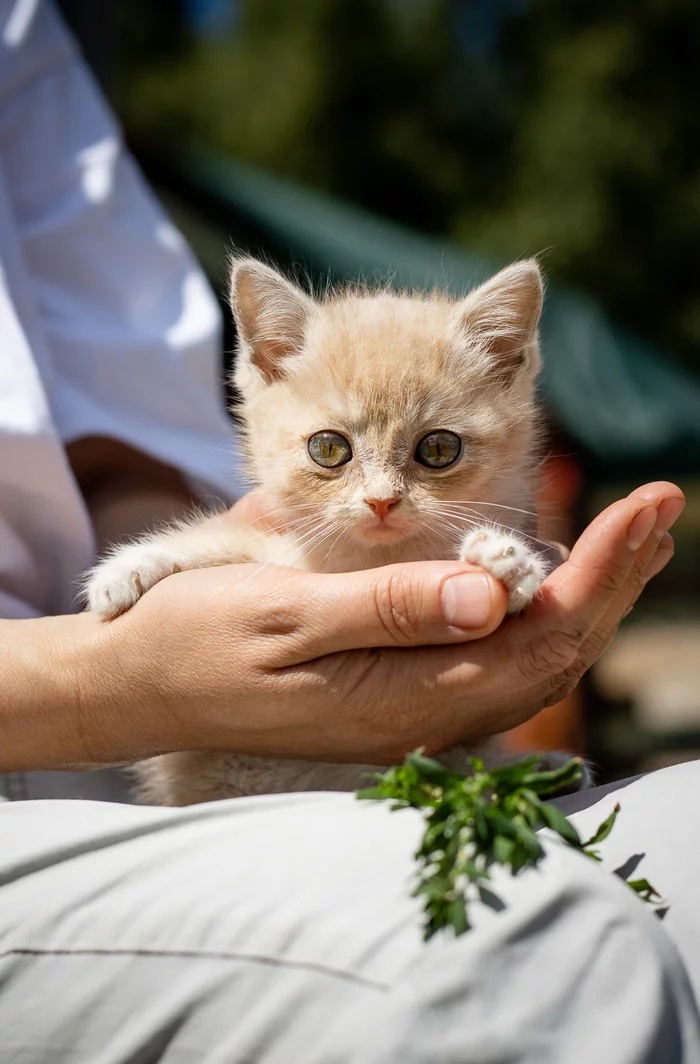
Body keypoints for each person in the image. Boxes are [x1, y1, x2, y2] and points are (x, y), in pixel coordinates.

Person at [0, 2, 697, 1061]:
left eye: (433, 452)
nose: (378, 495)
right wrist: (112, 677)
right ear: (264, 370)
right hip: (95, 776)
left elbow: (124, 458)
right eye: (333, 452)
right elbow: (174, 589)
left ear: (511, 375)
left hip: (135, 768)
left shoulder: (25, 35)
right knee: (515, 943)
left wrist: (197, 577)